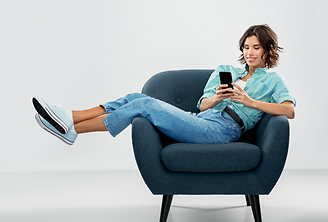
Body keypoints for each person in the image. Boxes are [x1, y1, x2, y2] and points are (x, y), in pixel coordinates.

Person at [33, 24, 296, 145]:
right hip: (203, 118)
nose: (249, 52)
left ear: (267, 50)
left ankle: (72, 127)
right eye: (246, 47)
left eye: (256, 48)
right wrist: (217, 98)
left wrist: (250, 103)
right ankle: (70, 118)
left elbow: (289, 110)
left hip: (223, 131)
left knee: (145, 105)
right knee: (135, 96)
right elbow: (202, 105)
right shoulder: (227, 71)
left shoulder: (273, 80)